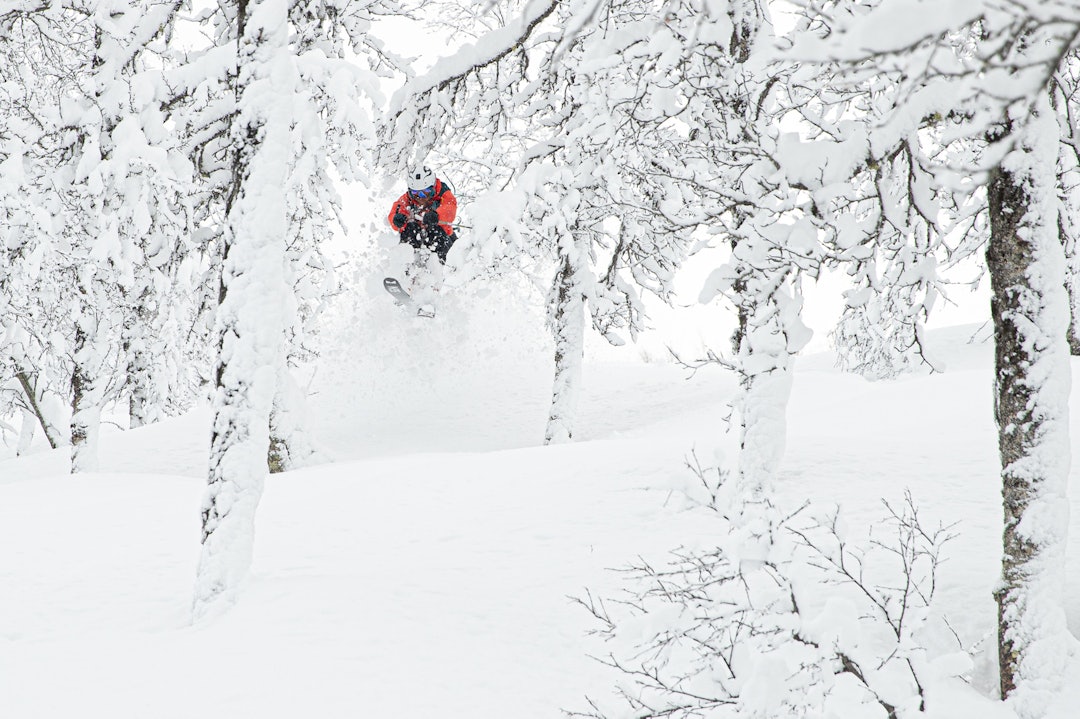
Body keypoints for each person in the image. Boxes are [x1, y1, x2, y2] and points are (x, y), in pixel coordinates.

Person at [387, 165, 458, 264]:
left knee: (436, 231)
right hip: (416, 238)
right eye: (415, 193)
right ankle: (407, 267)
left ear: (433, 188)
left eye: (425, 192)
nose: (421, 197)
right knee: (409, 229)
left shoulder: (443, 193)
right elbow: (396, 210)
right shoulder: (407, 199)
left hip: (442, 238)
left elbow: (450, 207)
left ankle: (444, 267)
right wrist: (396, 220)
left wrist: (437, 215)